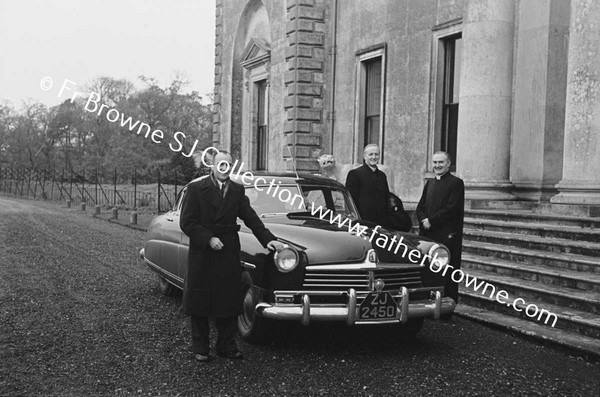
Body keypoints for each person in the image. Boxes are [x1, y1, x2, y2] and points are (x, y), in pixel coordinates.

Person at [180, 151, 284, 362]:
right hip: (203, 252)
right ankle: (201, 347)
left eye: (228, 164)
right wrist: (208, 239)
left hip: (228, 249)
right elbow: (187, 222)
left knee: (228, 299)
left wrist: (268, 239)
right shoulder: (196, 188)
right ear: (213, 165)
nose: (224, 168)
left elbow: (251, 217)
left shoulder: (237, 190)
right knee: (201, 299)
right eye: (220, 164)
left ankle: (226, 345)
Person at [416, 151, 464, 304]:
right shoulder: (429, 183)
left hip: (446, 234)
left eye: (441, 162)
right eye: (435, 162)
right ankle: (430, 302)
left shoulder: (456, 183)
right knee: (429, 269)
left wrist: (432, 221)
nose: (437, 166)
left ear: (448, 164)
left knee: (447, 271)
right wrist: (424, 219)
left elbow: (451, 208)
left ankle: (447, 305)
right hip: (428, 234)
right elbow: (420, 206)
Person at [345, 144, 390, 225]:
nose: (374, 157)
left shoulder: (382, 175)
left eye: (376, 154)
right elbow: (349, 200)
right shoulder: (355, 174)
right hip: (362, 222)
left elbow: (386, 198)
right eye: (370, 154)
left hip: (382, 223)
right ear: (364, 156)